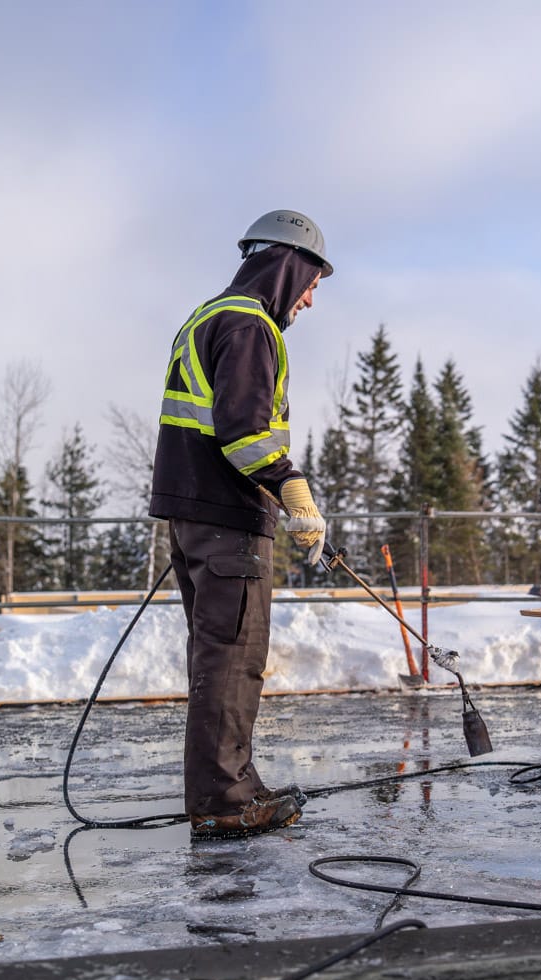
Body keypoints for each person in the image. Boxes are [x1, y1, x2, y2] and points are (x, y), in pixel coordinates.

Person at [150, 210, 333, 840]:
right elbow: (245, 431)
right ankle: (225, 801)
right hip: (227, 518)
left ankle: (231, 786)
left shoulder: (206, 316)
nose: (309, 300)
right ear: (288, 267)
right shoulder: (251, 324)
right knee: (232, 659)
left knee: (217, 656)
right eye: (311, 283)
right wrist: (291, 487)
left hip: (195, 514)